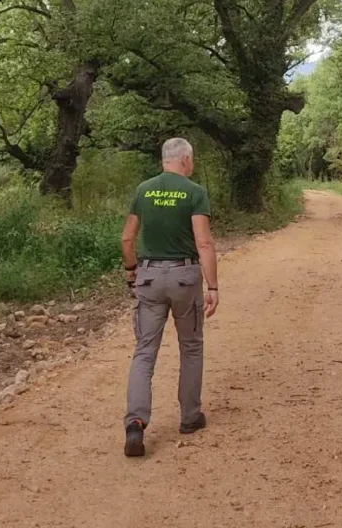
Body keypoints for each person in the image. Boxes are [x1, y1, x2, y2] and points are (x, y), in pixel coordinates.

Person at [121, 137, 219, 458]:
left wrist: (131, 270)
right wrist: (212, 286)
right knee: (190, 347)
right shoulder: (194, 192)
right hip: (183, 277)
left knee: (144, 351)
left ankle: (135, 422)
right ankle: (190, 417)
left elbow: (127, 237)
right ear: (186, 160)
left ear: (164, 160)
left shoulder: (143, 190)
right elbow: (203, 244)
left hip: (149, 277)